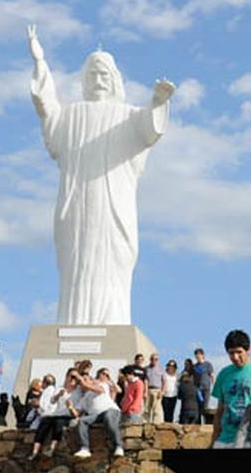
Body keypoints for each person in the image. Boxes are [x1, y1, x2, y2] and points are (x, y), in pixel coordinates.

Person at [27, 25, 175, 325]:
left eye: (104, 74)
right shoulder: (71, 115)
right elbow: (47, 108)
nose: (98, 80)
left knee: (113, 265)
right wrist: (40, 63)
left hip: (112, 208)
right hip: (76, 208)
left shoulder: (129, 115)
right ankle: (71, 322)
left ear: (115, 79)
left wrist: (158, 101)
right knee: (76, 267)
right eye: (92, 74)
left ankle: (114, 322)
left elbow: (150, 129)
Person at [208, 330, 251, 451]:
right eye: (231, 353)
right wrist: (214, 440)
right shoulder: (224, 374)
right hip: (225, 440)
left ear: (248, 349)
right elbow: (220, 410)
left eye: (239, 352)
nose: (235, 357)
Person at [71, 367, 123, 459]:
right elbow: (76, 413)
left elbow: (99, 390)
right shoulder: (84, 398)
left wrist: (81, 379)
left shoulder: (102, 385)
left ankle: (118, 446)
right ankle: (85, 448)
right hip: (96, 416)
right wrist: (70, 407)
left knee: (108, 419)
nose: (83, 383)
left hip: (110, 410)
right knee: (82, 421)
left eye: (86, 380)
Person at [32, 371, 76, 458]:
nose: (71, 379)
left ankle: (51, 448)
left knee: (58, 424)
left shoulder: (77, 391)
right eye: (70, 377)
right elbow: (52, 401)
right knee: (45, 422)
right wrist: (59, 395)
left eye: (74, 378)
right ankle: (35, 451)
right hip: (57, 414)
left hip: (67, 415)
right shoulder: (59, 388)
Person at [193, 349, 215, 421]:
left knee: (205, 406)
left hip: (206, 388)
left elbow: (212, 375)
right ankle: (198, 423)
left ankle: (206, 422)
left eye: (199, 355)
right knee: (198, 407)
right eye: (196, 355)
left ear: (202, 355)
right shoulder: (195, 366)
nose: (197, 357)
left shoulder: (208, 364)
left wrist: (214, 384)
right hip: (197, 388)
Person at [145, 353, 165, 422]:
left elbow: (164, 381)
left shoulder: (161, 369)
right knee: (147, 408)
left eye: (156, 359)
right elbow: (145, 380)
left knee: (157, 410)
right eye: (152, 359)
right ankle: (146, 423)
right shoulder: (146, 368)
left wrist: (162, 392)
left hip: (157, 390)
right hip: (148, 390)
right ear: (150, 359)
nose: (154, 360)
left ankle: (157, 424)